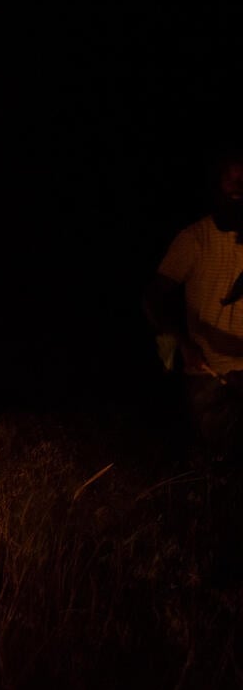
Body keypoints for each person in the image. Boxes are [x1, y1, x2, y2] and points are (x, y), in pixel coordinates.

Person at [144, 144, 243, 465]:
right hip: (209, 376)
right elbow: (153, 298)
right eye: (231, 180)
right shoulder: (195, 239)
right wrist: (183, 344)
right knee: (217, 461)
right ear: (217, 185)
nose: (238, 188)